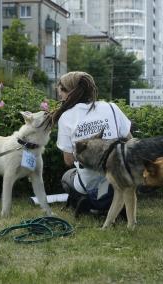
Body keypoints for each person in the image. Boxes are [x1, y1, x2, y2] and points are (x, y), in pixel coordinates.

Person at [46, 71, 132, 217]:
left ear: (68, 92)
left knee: (67, 176)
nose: (60, 95)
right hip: (121, 179)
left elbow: (68, 161)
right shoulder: (111, 107)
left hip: (89, 183)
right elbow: (130, 141)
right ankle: (116, 201)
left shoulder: (66, 117)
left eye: (60, 91)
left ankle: (90, 202)